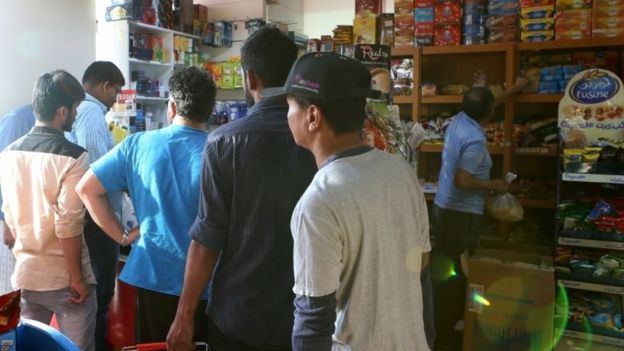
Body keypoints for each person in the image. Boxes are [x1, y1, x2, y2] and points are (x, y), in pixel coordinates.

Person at [260, 52, 431, 350]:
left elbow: (313, 319)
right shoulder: (400, 171)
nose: (286, 114)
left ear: (312, 116)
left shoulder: (319, 202)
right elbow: (423, 267)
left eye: (289, 104)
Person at [166, 26, 317, 351]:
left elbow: (208, 240)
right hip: (306, 319)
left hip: (238, 316)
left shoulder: (224, 141)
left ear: (250, 79)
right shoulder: (320, 138)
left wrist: (184, 317)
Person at [76, 66, 216, 344]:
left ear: (172, 107)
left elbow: (86, 188)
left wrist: (123, 236)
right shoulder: (220, 150)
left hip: (154, 271)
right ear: (210, 110)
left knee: (153, 345)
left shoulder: (137, 145)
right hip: (208, 282)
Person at [0, 70, 96, 350]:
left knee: (30, 347)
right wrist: (77, 279)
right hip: (64, 280)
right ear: (62, 110)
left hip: (25, 275)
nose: (76, 115)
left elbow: (9, 213)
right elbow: (68, 225)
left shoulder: (8, 155)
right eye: (75, 108)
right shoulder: (74, 157)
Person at [432, 82, 527, 350]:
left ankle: (443, 327)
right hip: (461, 216)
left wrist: (515, 88)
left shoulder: (458, 120)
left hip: (444, 207)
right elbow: (462, 179)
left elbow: (488, 99)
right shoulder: (475, 138)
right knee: (460, 274)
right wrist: (494, 185)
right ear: (488, 112)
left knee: (445, 270)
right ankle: (452, 334)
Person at [66, 61, 125, 351]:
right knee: (100, 295)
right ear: (105, 86)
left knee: (96, 294)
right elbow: (99, 171)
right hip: (97, 219)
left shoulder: (86, 112)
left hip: (90, 216)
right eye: (116, 91)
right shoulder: (90, 113)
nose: (117, 99)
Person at [0, 104, 36, 295]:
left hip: (20, 218)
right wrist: (6, 221)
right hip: (7, 220)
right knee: (8, 290)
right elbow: (4, 173)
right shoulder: (20, 120)